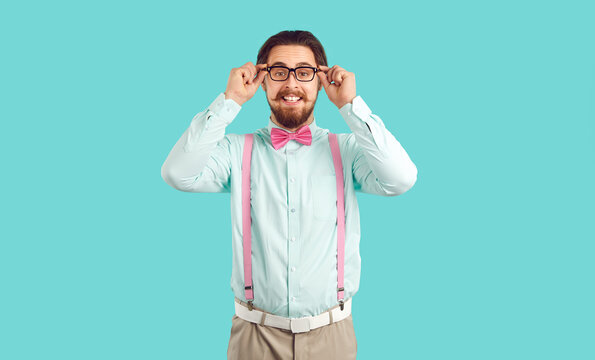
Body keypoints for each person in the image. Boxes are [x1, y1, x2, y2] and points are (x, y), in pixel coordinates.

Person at [161, 30, 418, 360]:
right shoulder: (236, 151)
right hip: (254, 337)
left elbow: (402, 179)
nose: (291, 84)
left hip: (332, 336)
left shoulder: (349, 150)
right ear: (262, 79)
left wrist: (352, 107)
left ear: (321, 81)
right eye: (279, 72)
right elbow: (177, 173)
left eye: (304, 73)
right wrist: (230, 102)